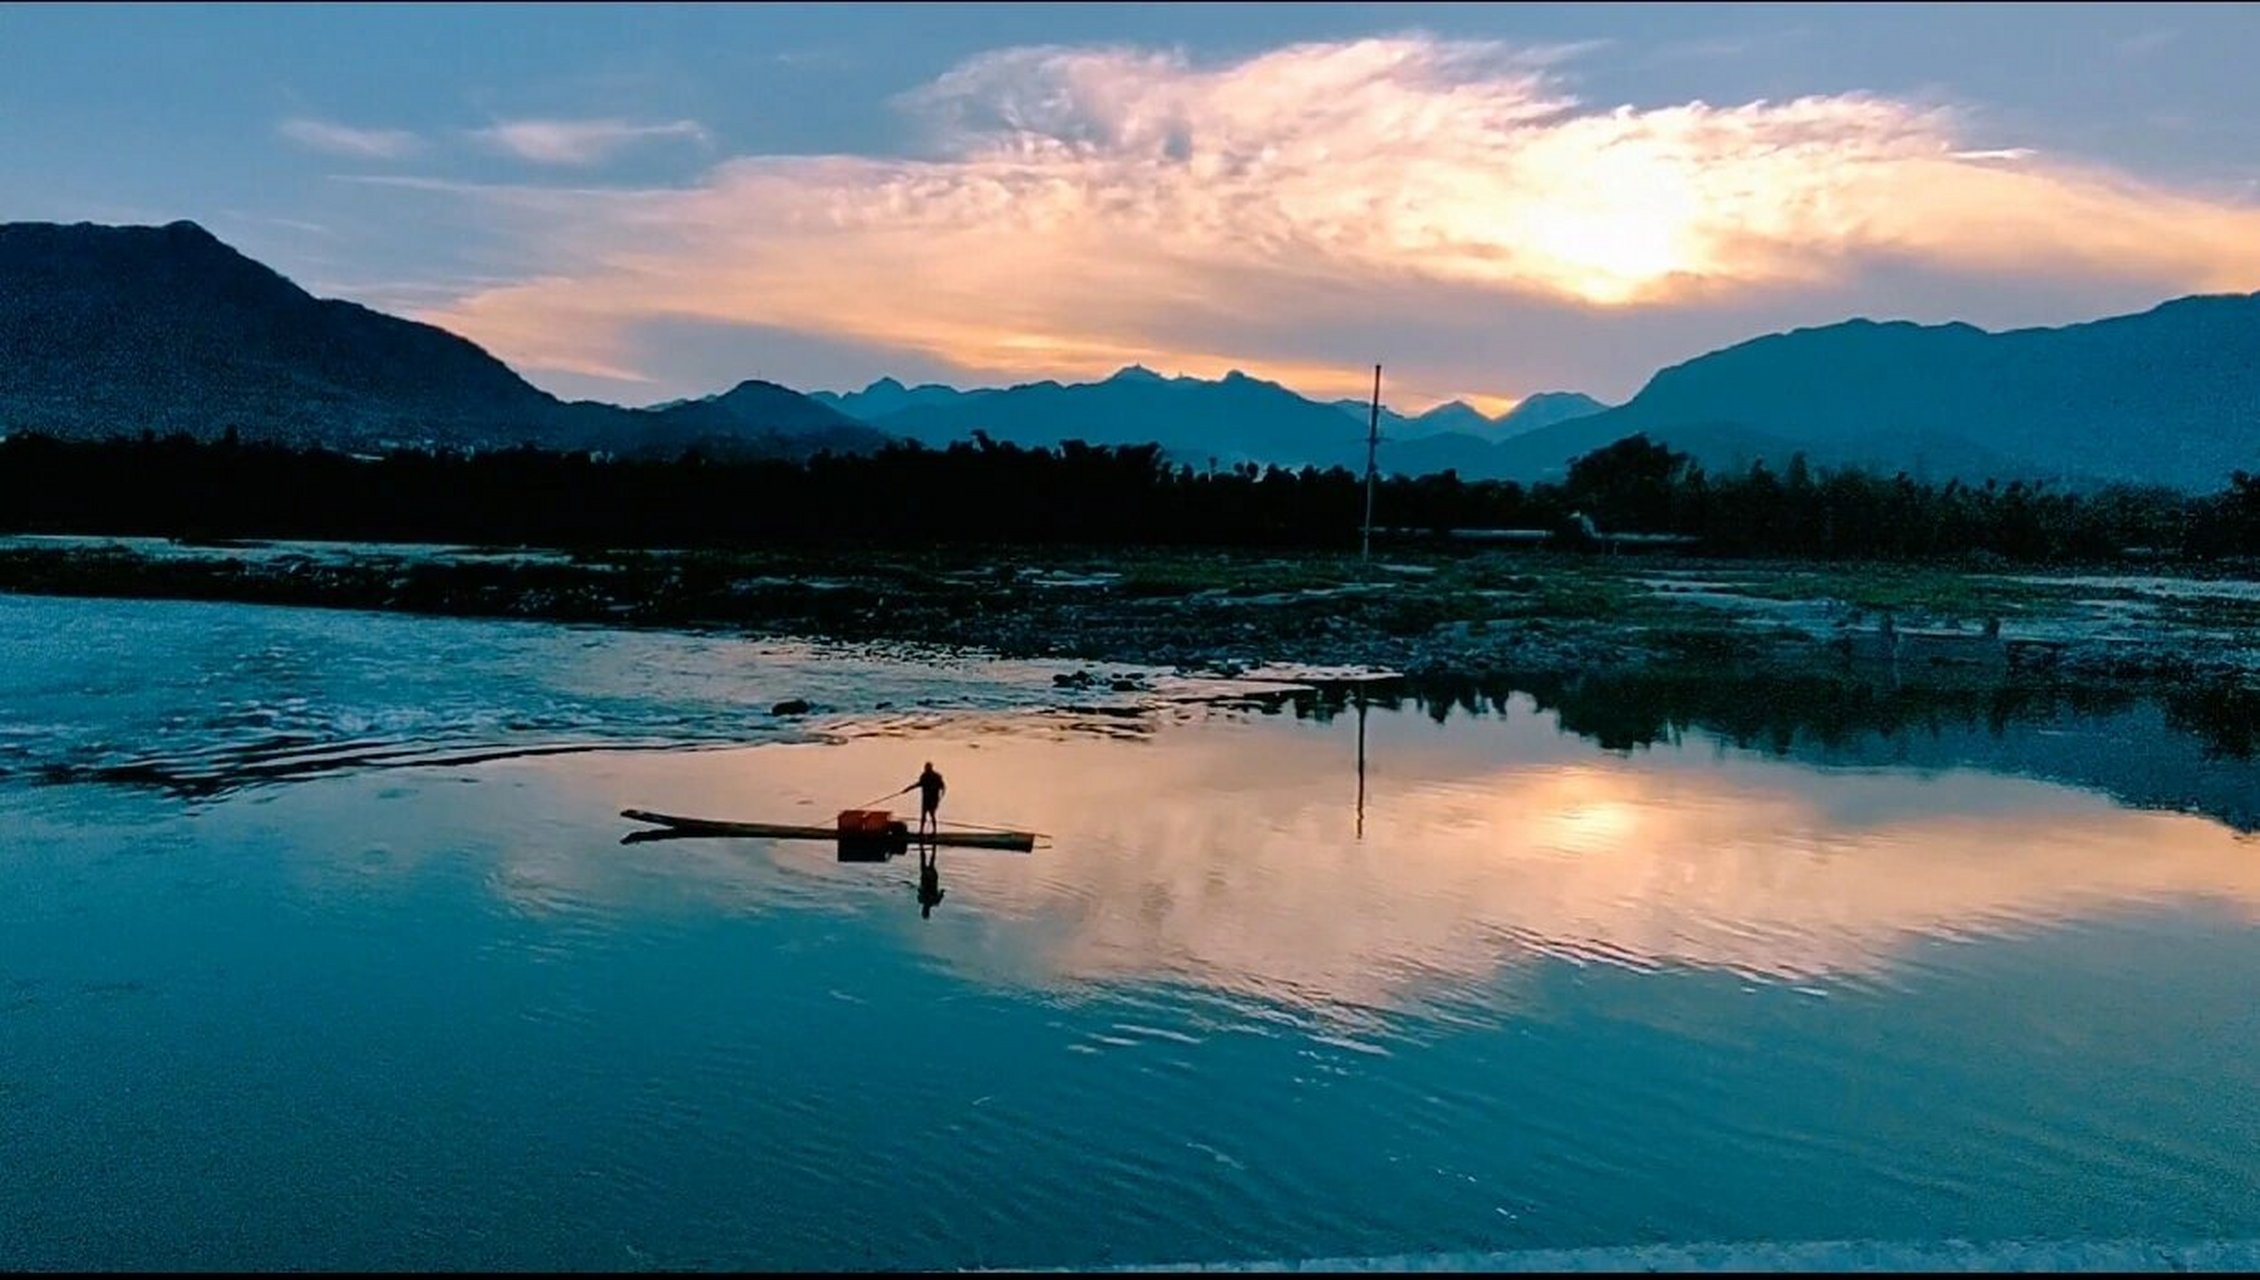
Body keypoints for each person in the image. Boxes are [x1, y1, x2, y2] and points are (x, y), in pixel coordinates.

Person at [906, 761, 945, 839]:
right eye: (925, 768)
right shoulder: (924, 776)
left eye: (927, 767)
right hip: (926, 799)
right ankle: (921, 831)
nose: (925, 769)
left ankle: (934, 832)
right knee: (923, 815)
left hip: (933, 798)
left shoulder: (936, 776)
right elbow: (919, 784)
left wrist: (941, 796)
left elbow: (943, 787)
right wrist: (908, 789)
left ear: (930, 767)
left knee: (932, 815)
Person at [916, 845, 946, 919]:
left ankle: (932, 847)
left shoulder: (935, 902)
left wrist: (942, 892)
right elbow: (919, 889)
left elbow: (942, 892)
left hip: (931, 878)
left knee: (931, 861)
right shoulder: (921, 900)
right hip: (927, 878)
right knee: (925, 860)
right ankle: (923, 846)